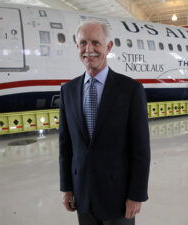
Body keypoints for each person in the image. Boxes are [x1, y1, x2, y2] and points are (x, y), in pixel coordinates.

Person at [59, 20, 151, 225]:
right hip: (83, 196)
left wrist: (136, 194)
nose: (88, 49)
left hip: (119, 197)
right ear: (77, 47)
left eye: (95, 43)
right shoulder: (68, 91)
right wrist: (66, 188)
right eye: (83, 43)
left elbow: (141, 150)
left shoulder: (130, 90)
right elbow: (66, 146)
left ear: (108, 47)